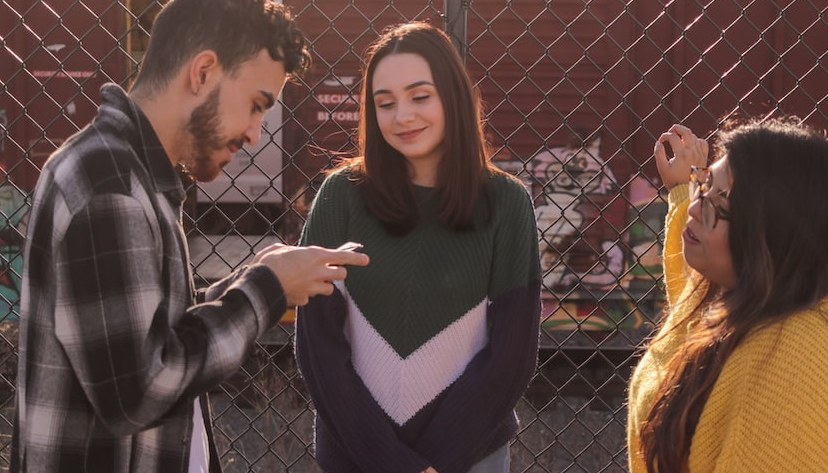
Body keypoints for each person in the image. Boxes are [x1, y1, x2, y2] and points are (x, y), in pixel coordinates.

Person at [11, 0, 369, 471]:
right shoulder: (109, 183)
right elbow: (140, 390)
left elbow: (155, 326)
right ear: (202, 72)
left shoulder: (130, 172)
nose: (255, 133)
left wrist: (258, 276)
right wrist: (267, 289)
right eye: (256, 105)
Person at [294, 22, 542, 473]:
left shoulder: (507, 203)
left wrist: (436, 464)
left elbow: (512, 355)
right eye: (385, 103)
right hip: (356, 457)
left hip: (470, 458)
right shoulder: (339, 196)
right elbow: (319, 351)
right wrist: (394, 463)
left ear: (453, 97)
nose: (402, 116)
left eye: (420, 96)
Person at [627, 118, 828, 472]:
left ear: (777, 233)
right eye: (704, 186)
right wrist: (682, 190)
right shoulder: (755, 305)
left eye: (721, 204)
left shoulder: (796, 372)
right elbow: (691, 310)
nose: (696, 206)